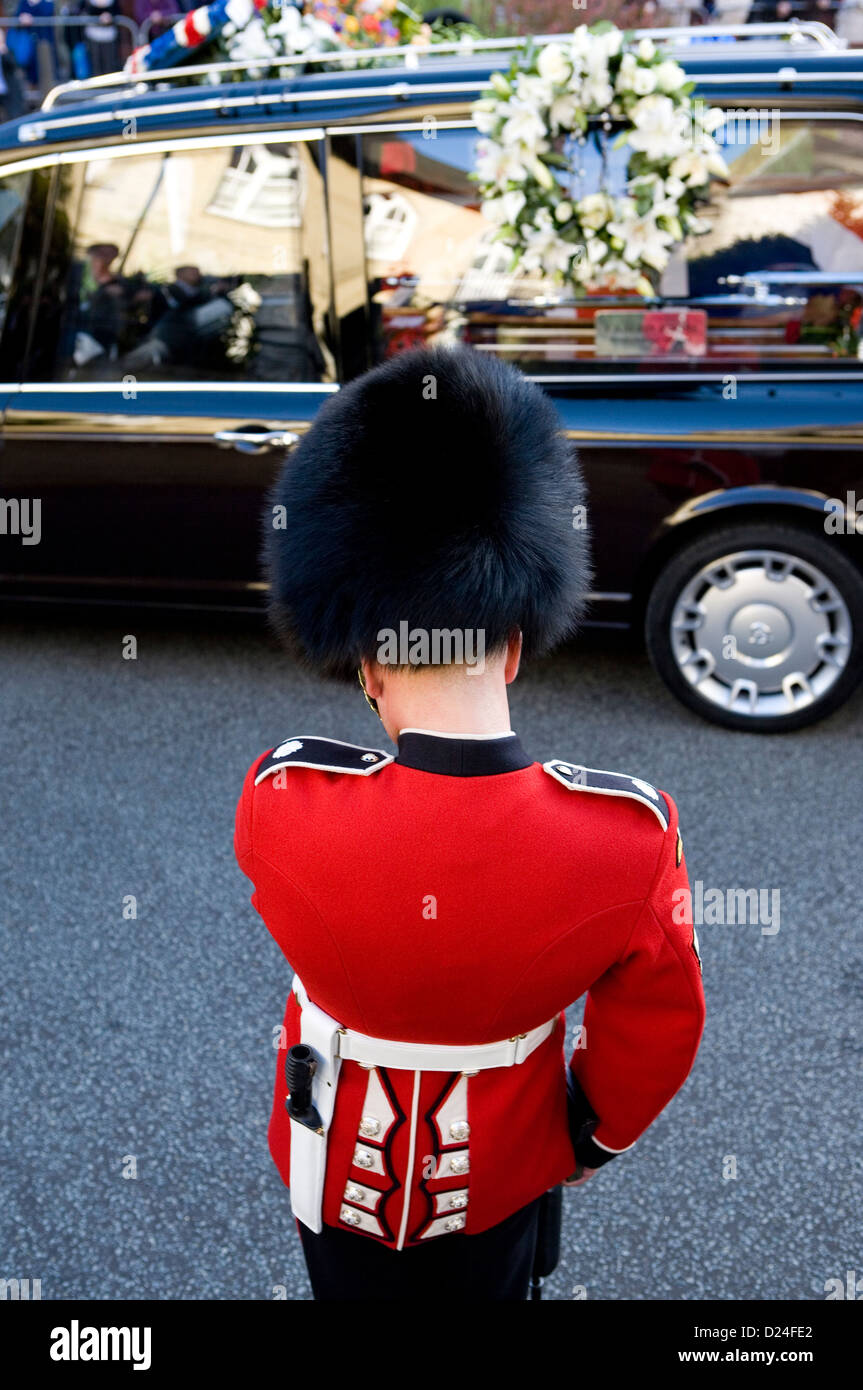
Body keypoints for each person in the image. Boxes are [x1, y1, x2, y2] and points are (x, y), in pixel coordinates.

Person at [234, 345, 706, 1302]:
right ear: (517, 648)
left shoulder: (278, 801)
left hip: (328, 1163)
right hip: (500, 1171)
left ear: (367, 667)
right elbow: (657, 1026)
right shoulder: (625, 834)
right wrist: (587, 1134)